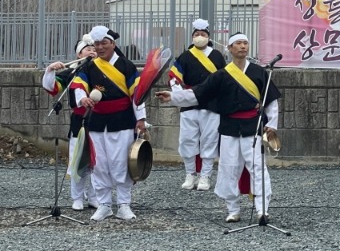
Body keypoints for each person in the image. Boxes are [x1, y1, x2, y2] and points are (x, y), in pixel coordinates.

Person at [156, 33, 280, 223]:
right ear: (230, 48)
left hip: (252, 126)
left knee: (257, 167)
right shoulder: (222, 74)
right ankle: (233, 209)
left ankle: (262, 209)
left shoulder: (258, 72)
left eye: (245, 43)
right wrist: (173, 97)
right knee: (229, 168)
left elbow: (270, 100)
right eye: (238, 43)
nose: (242, 47)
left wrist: (271, 124)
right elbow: (198, 94)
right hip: (229, 127)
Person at [70, 25, 146, 221]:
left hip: (122, 120)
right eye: (97, 44)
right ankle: (104, 204)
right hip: (96, 121)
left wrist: (141, 119)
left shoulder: (127, 66)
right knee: (100, 164)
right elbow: (78, 85)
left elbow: (137, 95)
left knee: (121, 163)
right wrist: (82, 99)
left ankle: (124, 204)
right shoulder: (88, 66)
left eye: (104, 43)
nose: (100, 47)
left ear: (113, 44)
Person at [168, 18, 227, 191]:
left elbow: (224, 78)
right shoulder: (185, 56)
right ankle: (190, 174)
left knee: (209, 140)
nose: (199, 36)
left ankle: (205, 176)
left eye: (203, 34)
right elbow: (174, 77)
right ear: (192, 36)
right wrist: (179, 94)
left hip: (212, 103)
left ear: (208, 36)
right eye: (196, 34)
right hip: (189, 102)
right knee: (187, 139)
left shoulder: (217, 56)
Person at [42, 34, 99, 211]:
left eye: (94, 49)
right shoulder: (71, 72)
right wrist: (50, 70)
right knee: (78, 159)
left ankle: (95, 197)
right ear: (78, 54)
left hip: (100, 119)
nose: (92, 51)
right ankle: (77, 197)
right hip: (79, 120)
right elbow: (51, 88)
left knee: (98, 162)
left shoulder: (103, 70)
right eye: (87, 49)